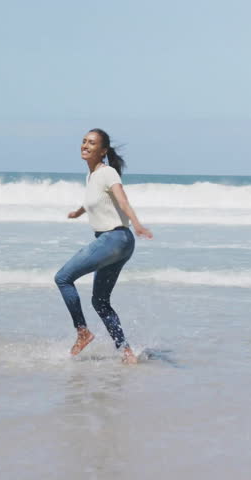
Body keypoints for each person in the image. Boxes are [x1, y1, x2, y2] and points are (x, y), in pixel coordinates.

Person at [54, 128, 153, 365]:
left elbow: (122, 200)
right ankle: (127, 352)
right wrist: (78, 212)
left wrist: (138, 224)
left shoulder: (108, 173)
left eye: (92, 143)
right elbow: (94, 200)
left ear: (103, 151)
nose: (85, 145)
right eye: (84, 141)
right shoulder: (92, 177)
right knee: (100, 301)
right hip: (121, 243)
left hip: (113, 239)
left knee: (63, 278)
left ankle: (82, 332)